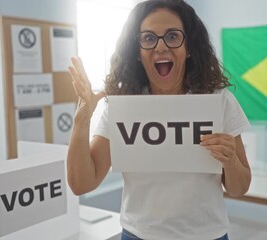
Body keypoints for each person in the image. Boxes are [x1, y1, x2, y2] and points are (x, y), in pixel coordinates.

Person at [67, 0, 251, 239]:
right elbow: (82, 183)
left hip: (207, 235)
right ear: (137, 51)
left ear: (190, 47)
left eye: (173, 36)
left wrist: (231, 161)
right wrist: (82, 120)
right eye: (148, 38)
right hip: (138, 235)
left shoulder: (218, 100)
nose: (160, 47)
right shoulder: (122, 105)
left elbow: (239, 188)